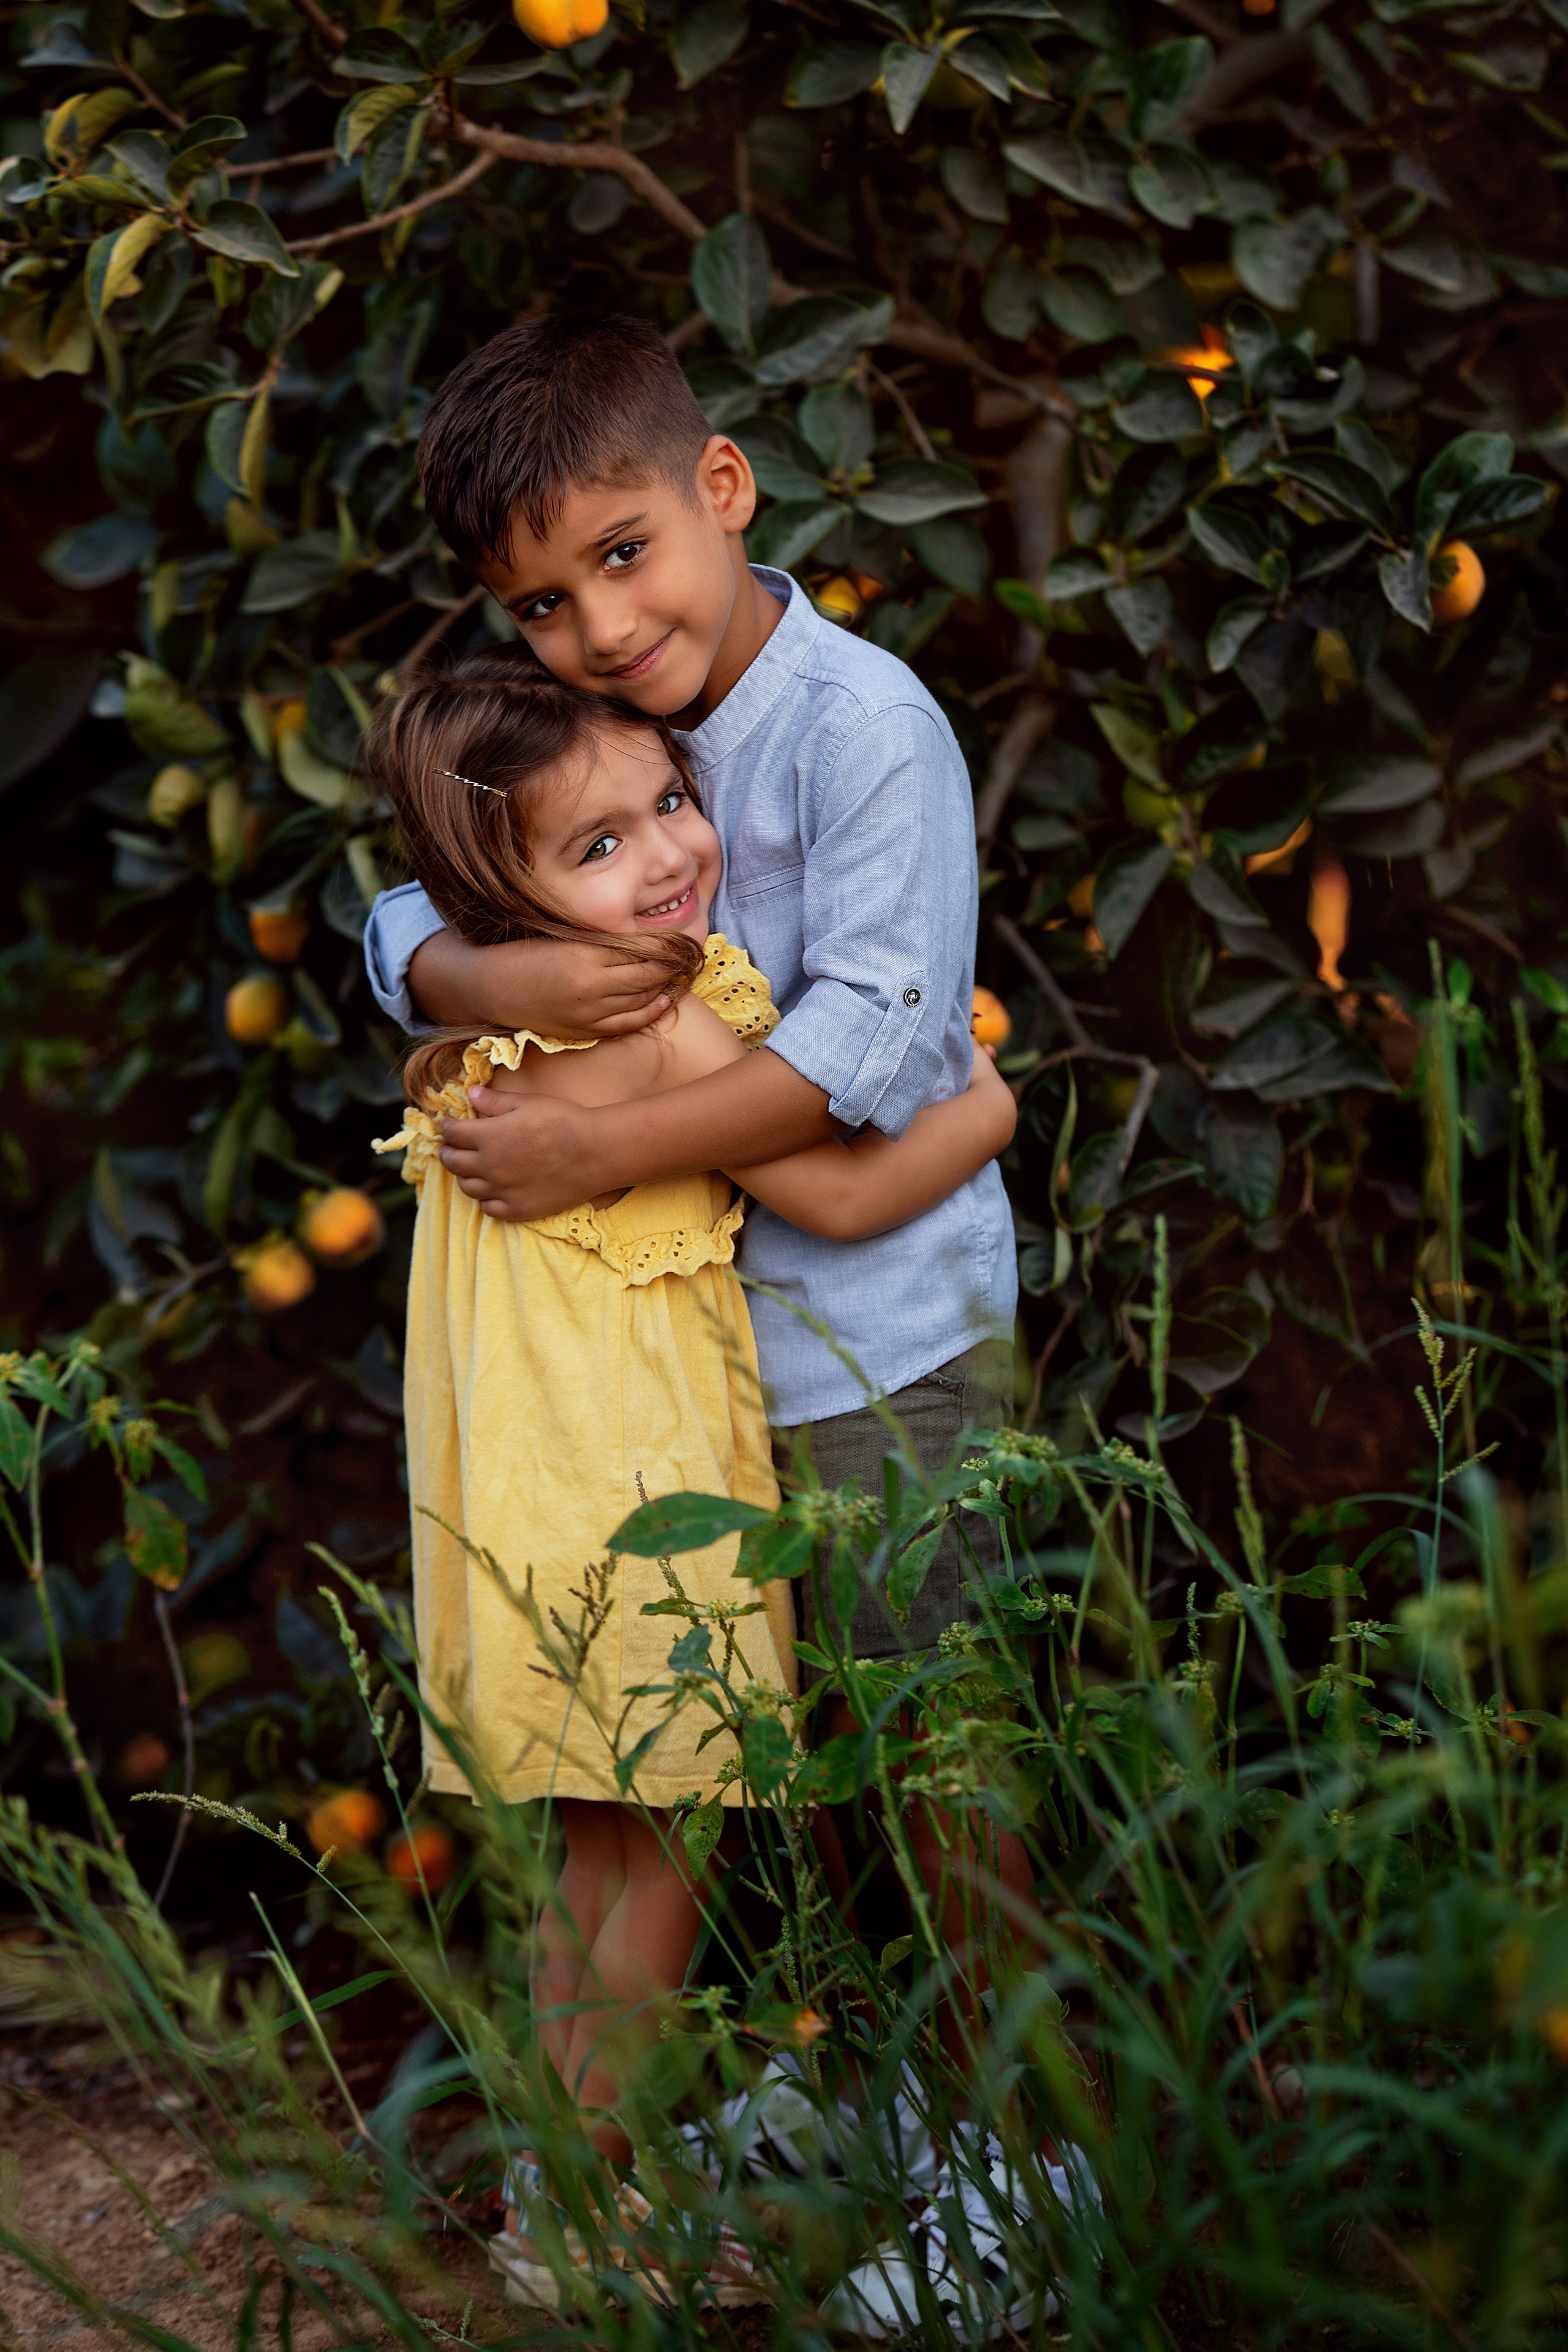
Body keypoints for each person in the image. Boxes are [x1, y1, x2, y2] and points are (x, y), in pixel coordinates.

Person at [368, 646, 1017, 2312]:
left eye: (669, 799)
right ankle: (578, 2224)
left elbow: (402, 936)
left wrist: (458, 965)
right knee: (657, 1847)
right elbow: (858, 1200)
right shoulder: (661, 1020)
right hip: (643, 1484)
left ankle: (561, 2178)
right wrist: (991, 1107)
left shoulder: (492, 1030)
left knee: (612, 1849)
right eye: (601, 845)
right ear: (504, 893)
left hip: (530, 1482)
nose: (667, 852)